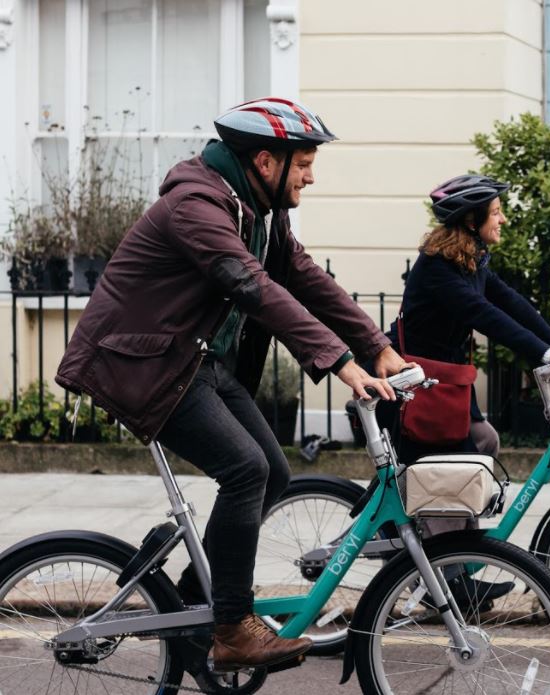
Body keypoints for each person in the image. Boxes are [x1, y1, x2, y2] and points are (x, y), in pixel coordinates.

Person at [55, 97, 408, 671]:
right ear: (266, 161)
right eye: (304, 164)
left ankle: (207, 600)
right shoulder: (195, 204)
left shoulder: (260, 211)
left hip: (196, 363)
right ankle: (232, 629)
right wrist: (341, 362)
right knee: (245, 471)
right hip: (146, 365)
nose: (311, 176)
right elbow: (252, 288)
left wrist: (378, 347)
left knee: (272, 471)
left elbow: (304, 279)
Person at [387, 173, 550, 493]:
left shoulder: (471, 259)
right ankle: (445, 540)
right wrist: (546, 353)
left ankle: (442, 535)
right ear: (472, 219)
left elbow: (511, 303)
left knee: (483, 441)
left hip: (446, 381)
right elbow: (485, 315)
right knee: (455, 473)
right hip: (419, 388)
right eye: (496, 212)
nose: (503, 219)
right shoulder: (438, 267)